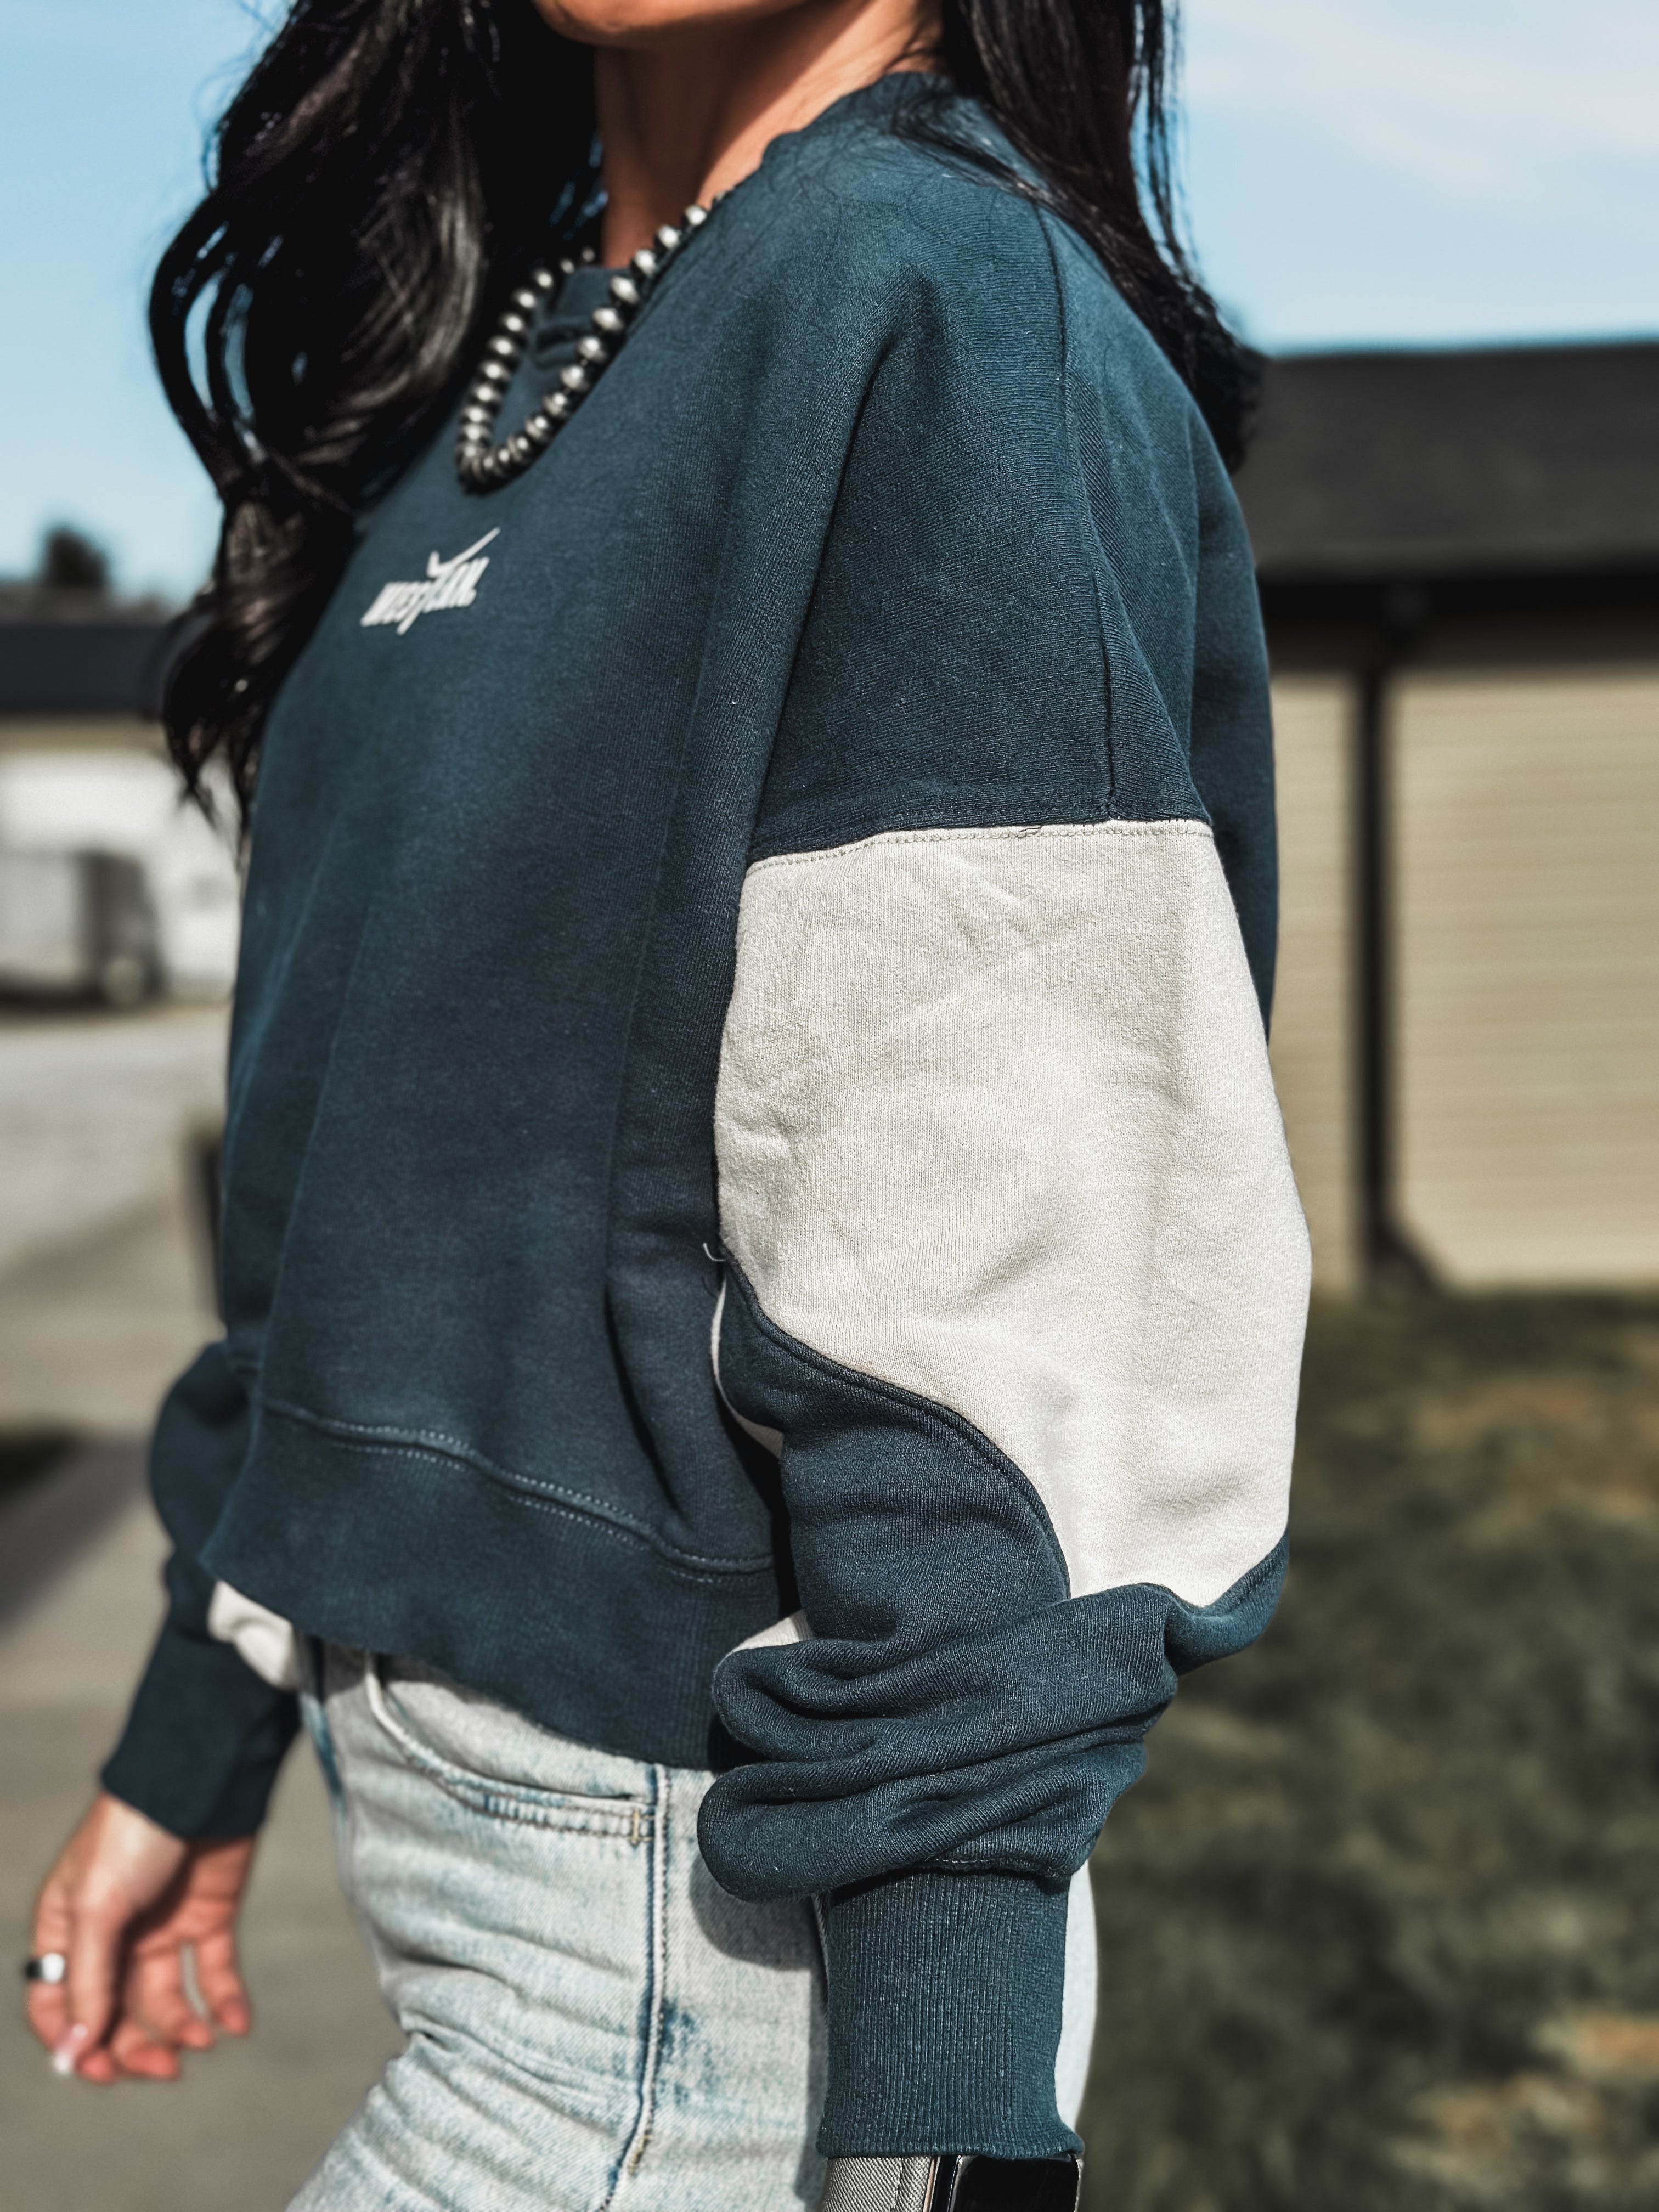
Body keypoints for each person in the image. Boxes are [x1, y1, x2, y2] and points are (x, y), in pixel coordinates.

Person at [25, 0, 1311, 2204]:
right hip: (469, 1882)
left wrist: (939, 2127)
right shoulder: (482, 366)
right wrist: (201, 1715)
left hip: (709, 1974)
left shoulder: (935, 303)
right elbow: (352, 1175)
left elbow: (1005, 1276)